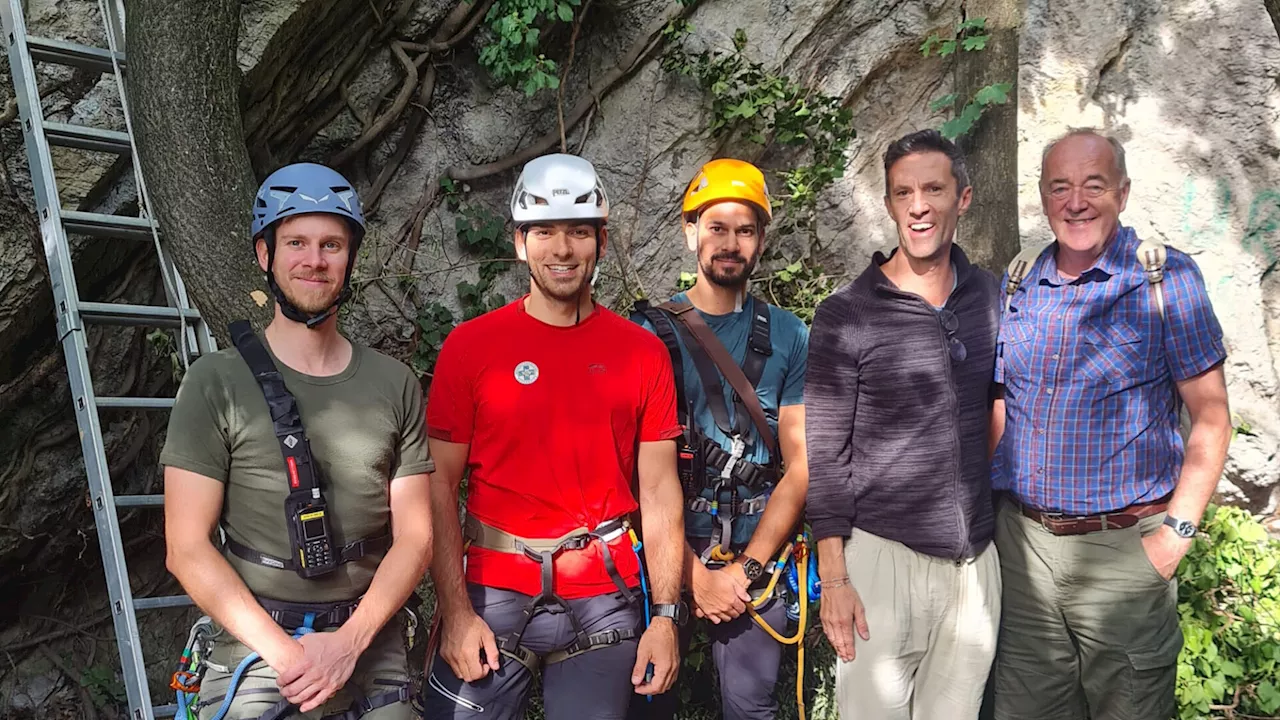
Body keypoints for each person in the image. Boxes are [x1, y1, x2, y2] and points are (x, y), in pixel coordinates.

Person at [161, 162, 434, 719]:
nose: (314, 260)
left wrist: (349, 643)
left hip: (368, 632)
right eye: (297, 243)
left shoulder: (393, 383)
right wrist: (289, 656)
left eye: (332, 244)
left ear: (350, 258)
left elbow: (416, 538)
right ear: (266, 255)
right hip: (259, 639)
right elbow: (186, 547)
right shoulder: (215, 382)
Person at [420, 152, 687, 720]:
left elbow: (661, 493)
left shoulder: (642, 354)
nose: (562, 250)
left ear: (601, 242)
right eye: (544, 232)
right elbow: (437, 484)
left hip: (603, 590)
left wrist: (665, 617)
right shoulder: (471, 348)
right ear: (520, 243)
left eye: (578, 233)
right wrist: (456, 610)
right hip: (492, 585)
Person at [990, 128, 1231, 720]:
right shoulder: (1020, 283)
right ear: (1044, 199)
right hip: (1024, 555)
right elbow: (1001, 403)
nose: (1076, 202)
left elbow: (1212, 417)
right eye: (1060, 188)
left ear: (1122, 193)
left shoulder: (1164, 280)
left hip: (1125, 551)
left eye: (1093, 185)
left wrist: (1175, 537)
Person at [805, 129, 1003, 719]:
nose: (918, 205)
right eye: (903, 193)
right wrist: (835, 579)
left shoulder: (988, 296)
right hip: (881, 565)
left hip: (973, 568)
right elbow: (826, 454)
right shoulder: (847, 315)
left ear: (962, 198)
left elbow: (997, 408)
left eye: (934, 189)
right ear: (890, 204)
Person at [627, 158, 811, 720]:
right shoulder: (646, 335)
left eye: (746, 230)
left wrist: (745, 571)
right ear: (690, 234)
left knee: (751, 708)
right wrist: (691, 577)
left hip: (756, 555)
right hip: (664, 554)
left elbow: (801, 465)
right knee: (646, 698)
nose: (731, 243)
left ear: (759, 242)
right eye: (717, 227)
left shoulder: (789, 334)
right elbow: (631, 474)